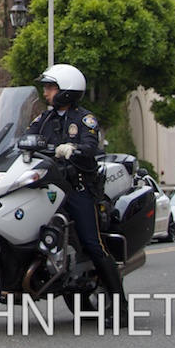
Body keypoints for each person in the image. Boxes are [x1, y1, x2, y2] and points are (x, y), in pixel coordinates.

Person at [23, 63, 128, 324]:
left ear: (67, 90)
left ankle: (121, 308)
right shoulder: (43, 119)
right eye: (46, 88)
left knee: (93, 244)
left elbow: (90, 146)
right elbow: (24, 139)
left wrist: (73, 148)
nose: (45, 93)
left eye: (50, 87)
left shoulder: (84, 119)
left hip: (77, 189)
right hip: (48, 188)